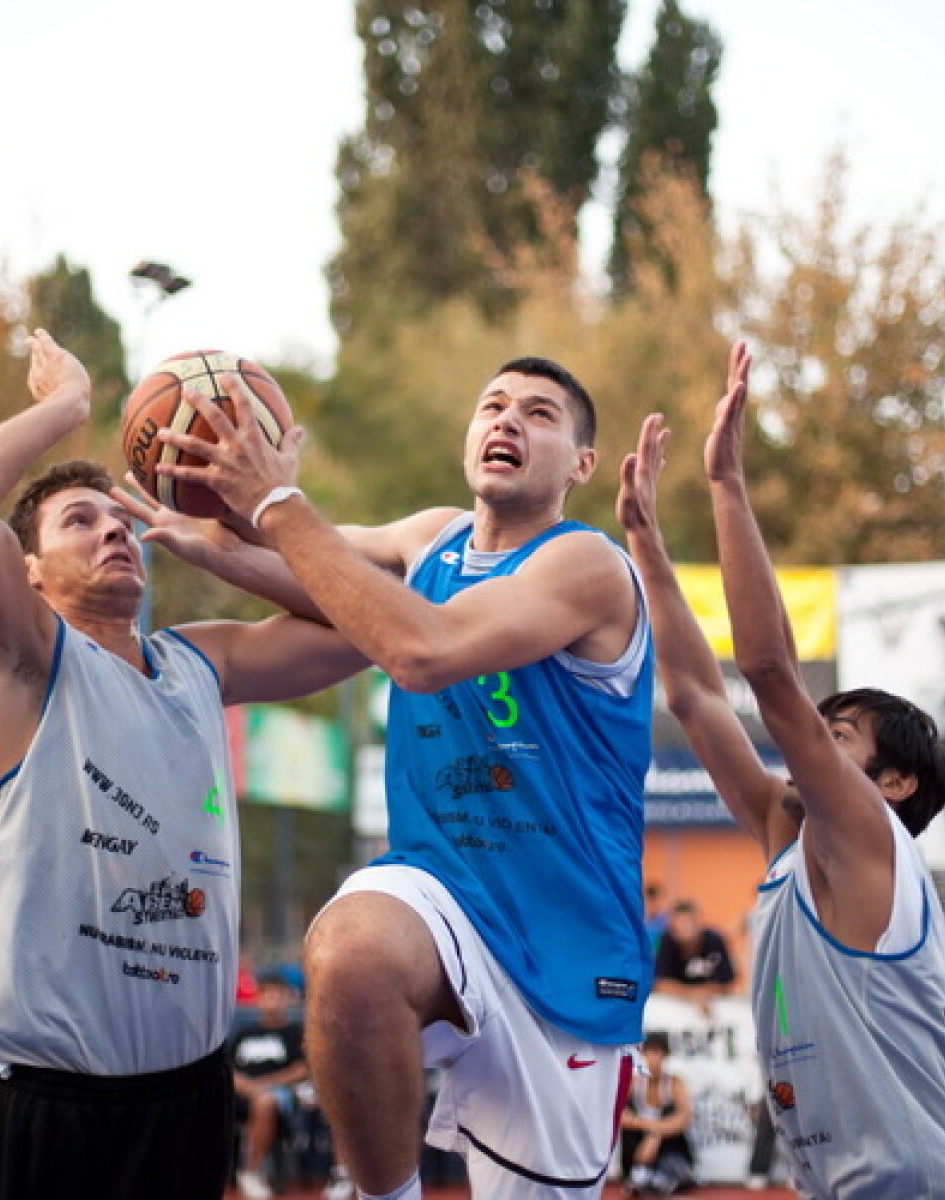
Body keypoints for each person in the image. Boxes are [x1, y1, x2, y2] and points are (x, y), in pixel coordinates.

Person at [150, 354, 656, 1198]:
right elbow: (314, 571)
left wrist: (278, 504)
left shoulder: (588, 566)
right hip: (443, 889)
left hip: (563, 938)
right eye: (492, 404)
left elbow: (425, 650)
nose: (506, 420)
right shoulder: (431, 537)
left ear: (580, 464)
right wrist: (217, 500)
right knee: (349, 953)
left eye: (538, 413)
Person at [0, 330, 365, 1200]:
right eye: (80, 521)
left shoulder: (200, 663)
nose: (113, 531)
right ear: (30, 573)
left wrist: (246, 527)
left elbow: (363, 626)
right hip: (51, 1105)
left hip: (188, 1097)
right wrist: (68, 406)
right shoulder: (26, 663)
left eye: (123, 518)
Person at [616, 342, 945, 1198]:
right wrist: (646, 544)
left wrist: (725, 485)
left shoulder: (871, 841)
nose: (814, 747)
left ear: (894, 783)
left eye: (842, 736)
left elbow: (768, 674)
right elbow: (694, 697)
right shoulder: (792, 843)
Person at [230, 971, 311, 1200]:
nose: (272, 999)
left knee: (266, 1101)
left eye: (278, 994)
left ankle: (251, 1173)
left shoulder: (295, 1033)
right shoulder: (244, 1034)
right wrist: (246, 1086)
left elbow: (301, 1070)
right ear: (257, 998)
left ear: (288, 999)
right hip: (241, 1093)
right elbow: (227, 1068)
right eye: (266, 994)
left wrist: (261, 1086)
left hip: (279, 1096)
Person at [618, 1032, 695, 1197]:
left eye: (658, 1053)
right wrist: (649, 1129)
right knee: (629, 1120)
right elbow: (619, 1115)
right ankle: (638, 1174)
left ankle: (662, 1176)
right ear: (643, 1055)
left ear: (665, 1056)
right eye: (650, 1053)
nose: (654, 1059)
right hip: (639, 1149)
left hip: (665, 1147)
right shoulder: (634, 1082)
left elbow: (684, 1118)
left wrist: (655, 1136)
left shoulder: (674, 1083)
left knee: (670, 1112)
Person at [651, 900, 736, 1014]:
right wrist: (692, 993)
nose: (686, 928)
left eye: (690, 922)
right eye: (681, 924)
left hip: (713, 1005)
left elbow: (729, 982)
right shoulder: (667, 941)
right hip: (675, 1008)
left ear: (699, 923)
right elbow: (660, 983)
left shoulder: (715, 941)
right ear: (673, 926)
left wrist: (705, 992)